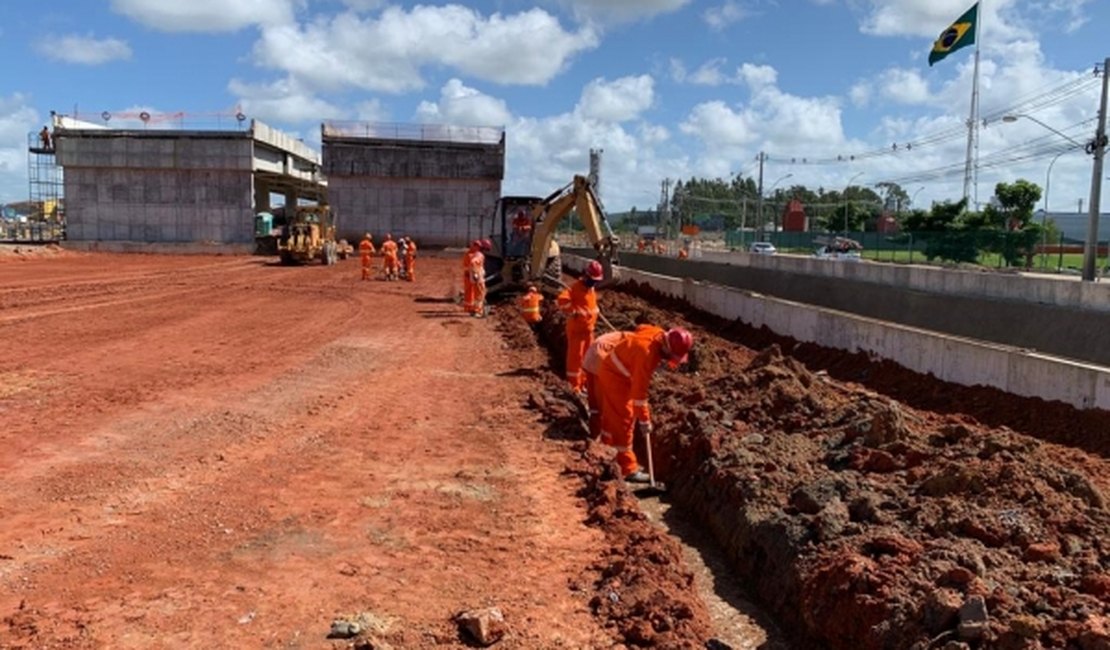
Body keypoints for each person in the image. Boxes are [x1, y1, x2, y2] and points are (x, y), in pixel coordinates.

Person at [595, 325, 694, 482]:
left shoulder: (657, 332)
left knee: (613, 414)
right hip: (615, 377)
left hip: (615, 369)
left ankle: (605, 449)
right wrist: (644, 420)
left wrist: (630, 350)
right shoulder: (645, 355)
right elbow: (639, 395)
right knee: (624, 419)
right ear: (667, 348)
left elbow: (641, 327)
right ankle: (627, 469)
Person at [556, 260, 603, 393]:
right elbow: (561, 301)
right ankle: (574, 386)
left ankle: (585, 383)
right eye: (593, 279)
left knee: (588, 359)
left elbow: (590, 306)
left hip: (589, 330)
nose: (594, 283)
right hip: (577, 330)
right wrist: (573, 310)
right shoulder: (574, 288)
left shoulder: (591, 289)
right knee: (576, 359)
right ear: (586, 276)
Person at [581, 330, 628, 439]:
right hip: (601, 358)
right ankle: (605, 440)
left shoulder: (625, 337)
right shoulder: (634, 345)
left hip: (591, 355)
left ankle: (594, 434)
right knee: (604, 404)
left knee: (594, 403)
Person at [461, 240, 481, 313]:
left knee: (471, 292)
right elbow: (468, 266)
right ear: (474, 246)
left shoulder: (472, 254)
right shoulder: (470, 255)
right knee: (469, 292)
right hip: (469, 275)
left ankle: (470, 307)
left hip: (471, 275)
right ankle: (468, 307)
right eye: (477, 247)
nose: (478, 248)